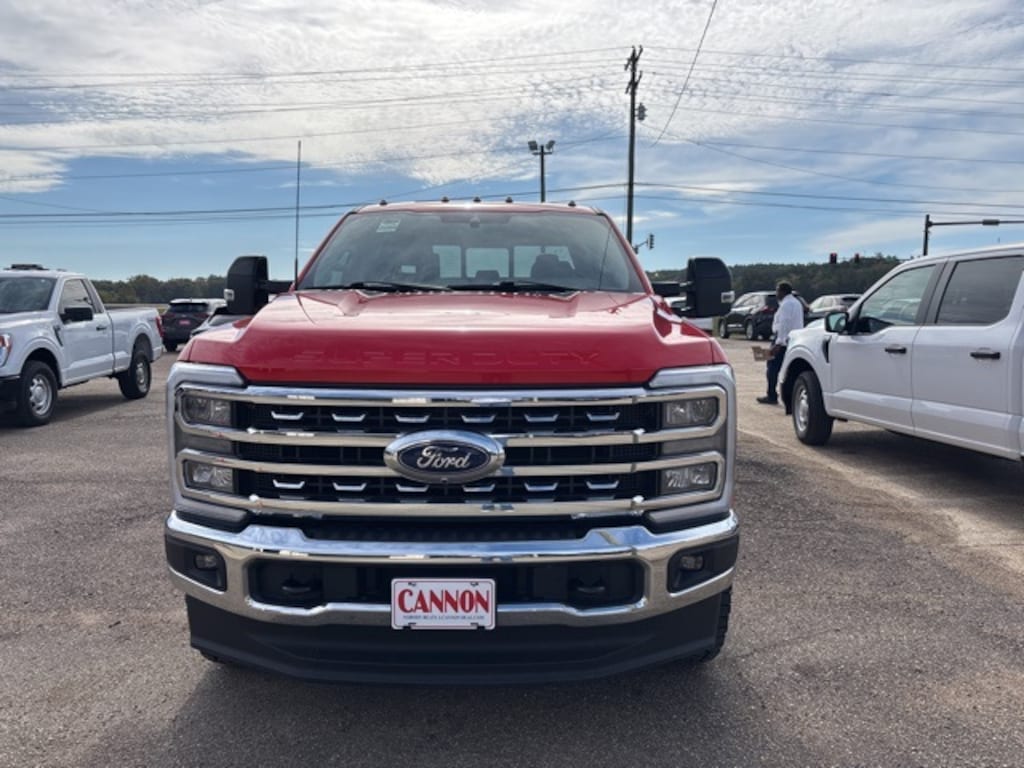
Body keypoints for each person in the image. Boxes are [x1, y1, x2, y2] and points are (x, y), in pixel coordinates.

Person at [757, 281, 803, 404]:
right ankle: (790, 397)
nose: (776, 293)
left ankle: (771, 395)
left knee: (772, 368)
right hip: (793, 339)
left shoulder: (786, 304)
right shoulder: (796, 303)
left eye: (777, 291)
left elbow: (784, 324)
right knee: (788, 369)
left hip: (782, 340)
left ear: (782, 291)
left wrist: (778, 343)